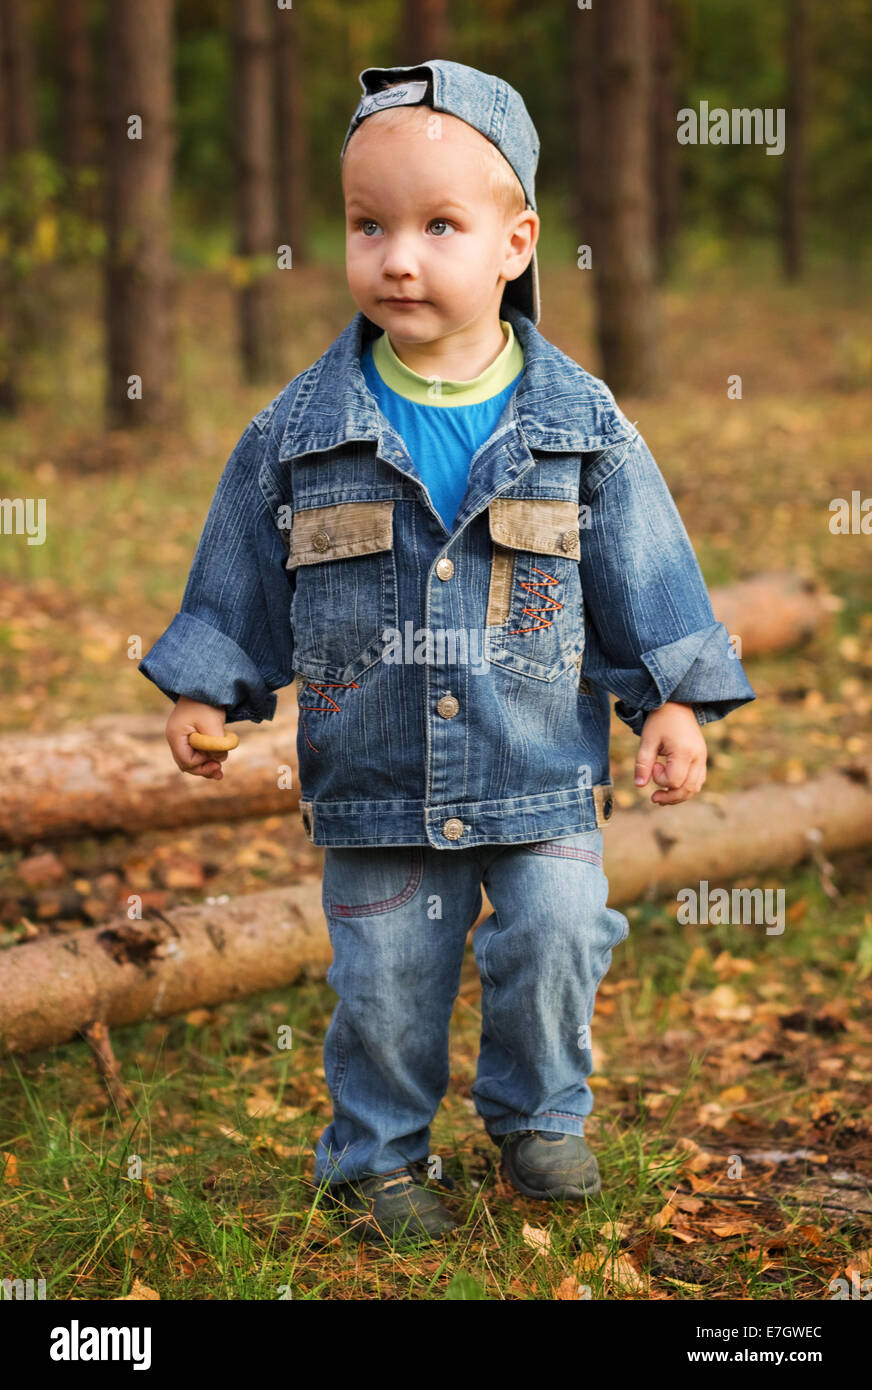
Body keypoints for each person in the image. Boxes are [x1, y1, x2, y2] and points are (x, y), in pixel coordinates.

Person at [139, 60, 756, 1247]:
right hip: (375, 783)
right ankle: (373, 1160)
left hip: (538, 772)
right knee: (383, 986)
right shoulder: (302, 430)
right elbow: (238, 568)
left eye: (437, 226)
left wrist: (673, 701)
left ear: (516, 241)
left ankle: (536, 1115)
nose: (397, 258)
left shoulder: (578, 426)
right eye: (367, 226)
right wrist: (209, 684)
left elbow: (643, 574)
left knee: (560, 931)